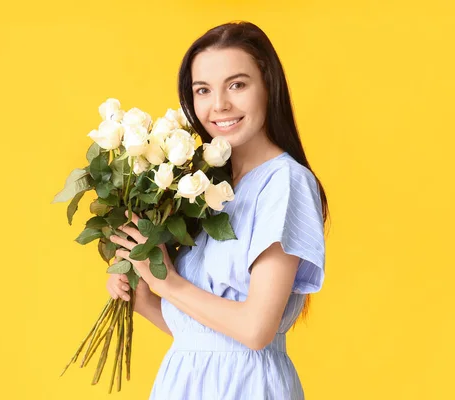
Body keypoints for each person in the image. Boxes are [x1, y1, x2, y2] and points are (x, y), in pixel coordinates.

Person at [106, 20, 329, 400]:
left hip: (247, 389)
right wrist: (146, 300)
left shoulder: (285, 183)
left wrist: (166, 283)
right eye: (203, 90)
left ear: (268, 88)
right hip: (183, 384)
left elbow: (255, 331)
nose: (219, 104)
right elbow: (205, 338)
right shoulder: (204, 188)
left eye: (237, 85)